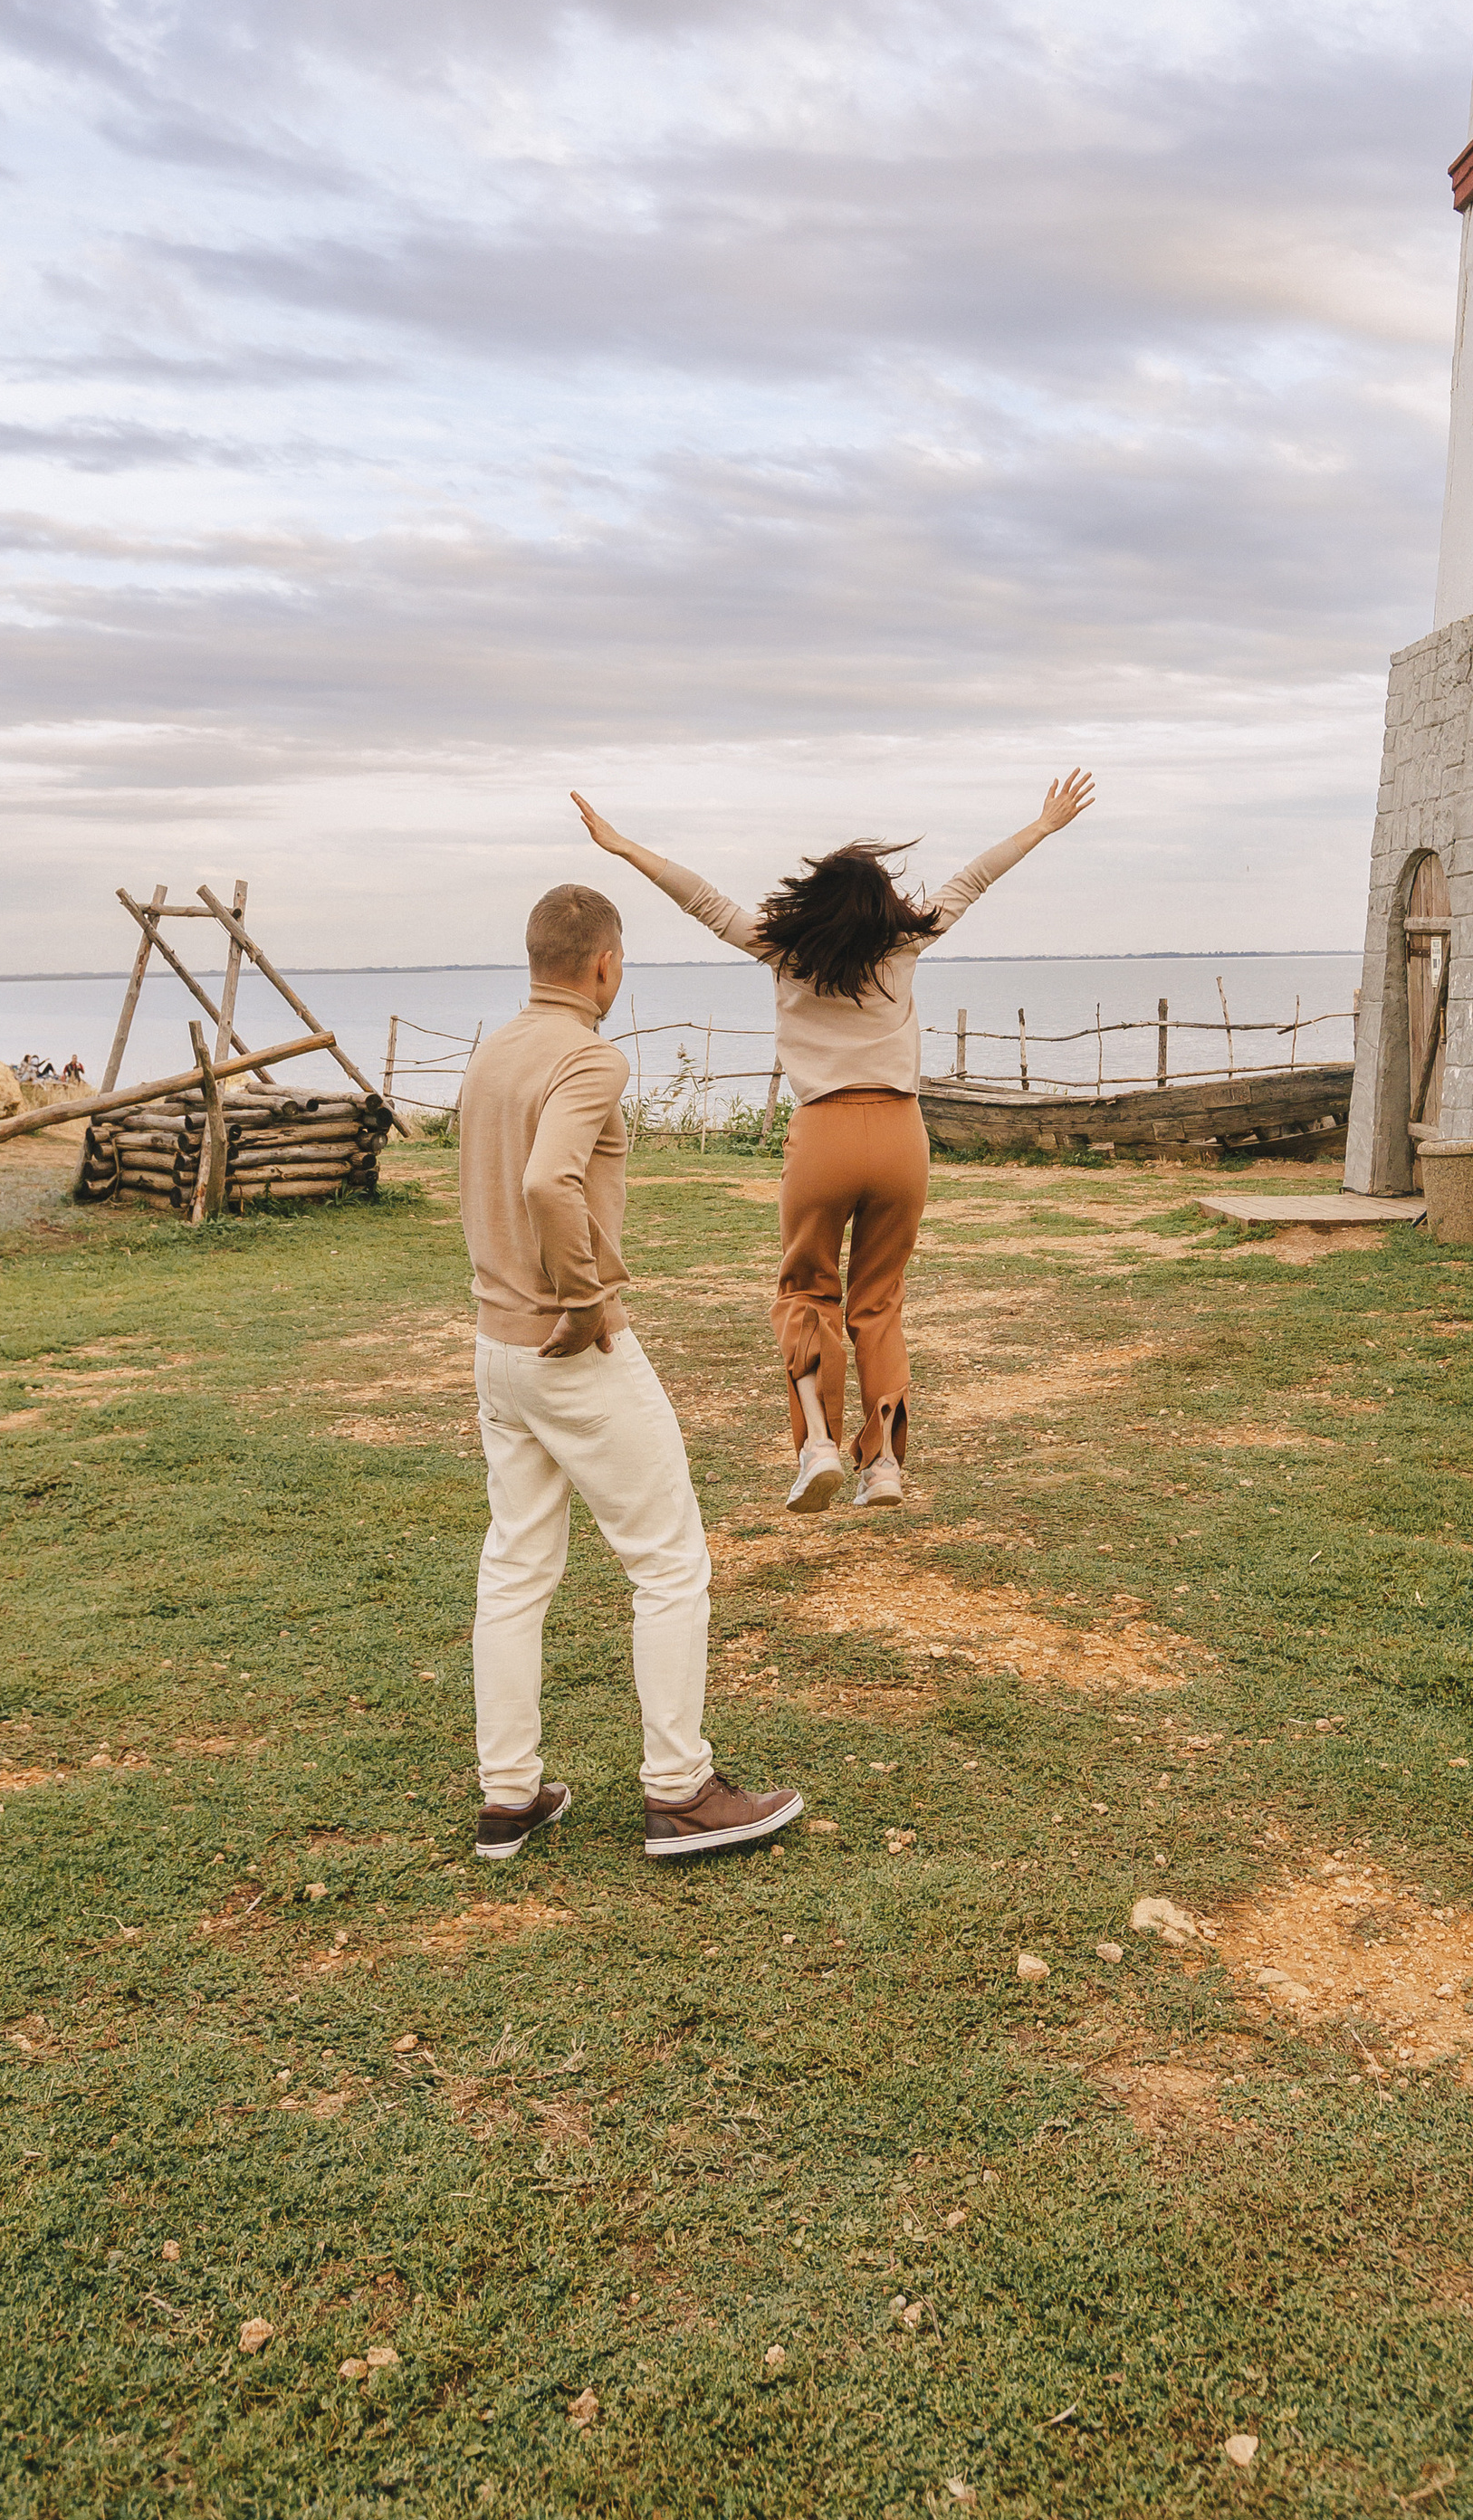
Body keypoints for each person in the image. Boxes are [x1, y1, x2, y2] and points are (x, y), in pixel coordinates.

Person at [569, 775, 1095, 1513]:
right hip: (901, 1135)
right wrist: (1041, 825)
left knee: (806, 1293)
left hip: (823, 1134)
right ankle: (883, 1466)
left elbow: (703, 900)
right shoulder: (906, 943)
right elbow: (975, 878)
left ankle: (818, 1444)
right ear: (882, 903)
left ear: (814, 901)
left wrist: (625, 847)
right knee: (878, 1303)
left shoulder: (784, 950)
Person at [457, 877, 803, 1863]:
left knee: (516, 1569)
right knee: (669, 1562)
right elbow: (546, 1181)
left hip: (495, 1347)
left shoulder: (492, 1052)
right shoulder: (591, 1057)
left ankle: (509, 1796)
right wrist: (582, 1297)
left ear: (536, 960)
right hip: (570, 1347)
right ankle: (680, 1790)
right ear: (606, 965)